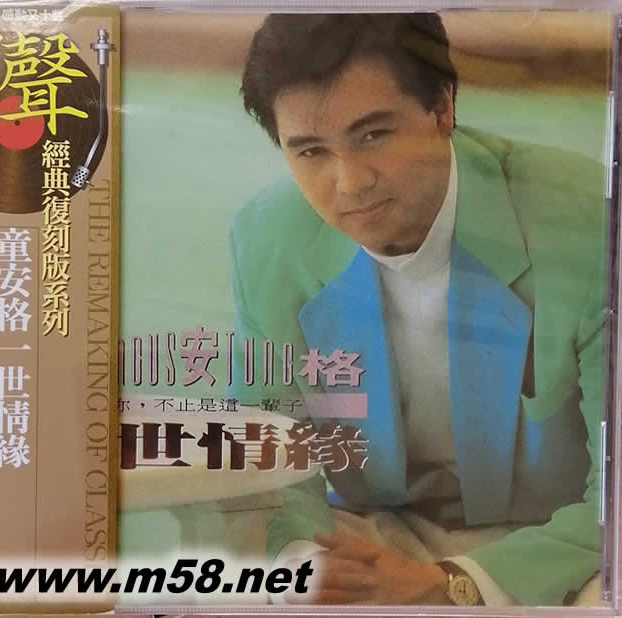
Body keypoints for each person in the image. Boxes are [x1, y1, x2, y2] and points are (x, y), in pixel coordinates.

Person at [227, 13, 606, 606]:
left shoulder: (586, 219)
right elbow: (268, 454)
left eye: (374, 135)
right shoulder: (267, 240)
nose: (351, 182)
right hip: (374, 537)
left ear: (442, 108)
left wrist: (451, 584)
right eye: (312, 151)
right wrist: (304, 560)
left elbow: (614, 496)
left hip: (557, 550)